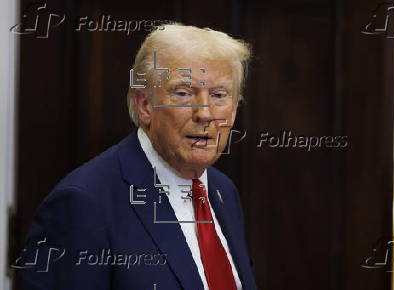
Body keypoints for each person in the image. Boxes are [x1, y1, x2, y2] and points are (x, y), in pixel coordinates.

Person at [18, 23, 256, 290]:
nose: (205, 113)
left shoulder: (223, 191)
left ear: (234, 110)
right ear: (145, 105)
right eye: (183, 93)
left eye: (219, 95)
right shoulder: (84, 203)